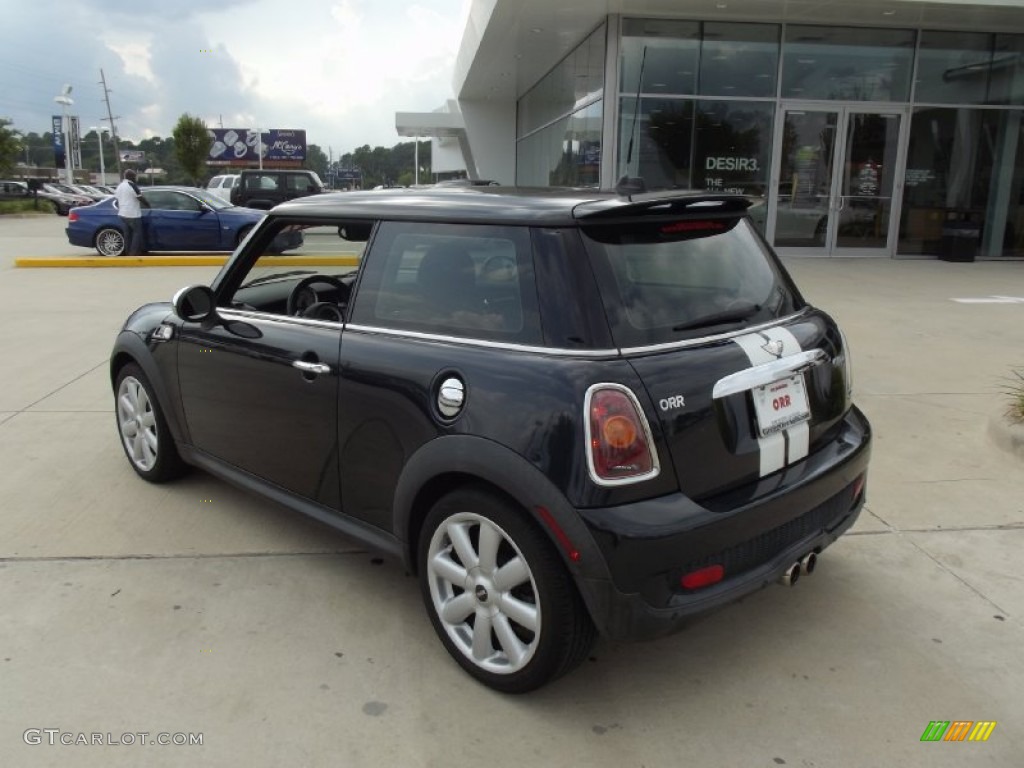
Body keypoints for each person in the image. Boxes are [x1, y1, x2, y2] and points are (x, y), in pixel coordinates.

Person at [114, 169, 144, 256]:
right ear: (131, 177)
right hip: (133, 214)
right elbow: (140, 198)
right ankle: (133, 253)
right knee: (137, 233)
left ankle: (128, 252)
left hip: (122, 214)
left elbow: (116, 200)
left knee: (127, 235)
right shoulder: (132, 185)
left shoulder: (120, 186)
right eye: (135, 176)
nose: (135, 178)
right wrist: (148, 205)